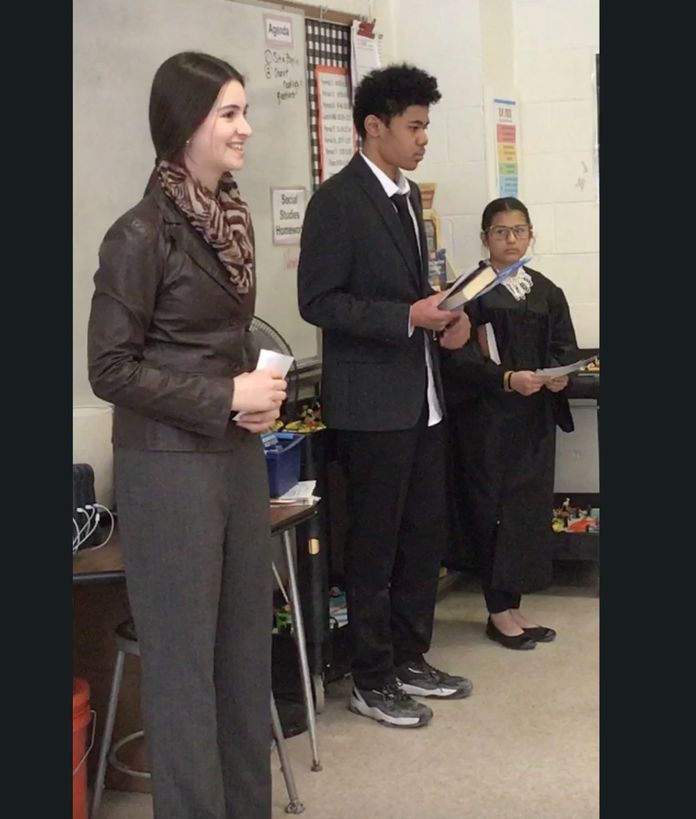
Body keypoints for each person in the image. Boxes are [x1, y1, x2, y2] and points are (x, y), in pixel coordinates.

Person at [87, 52, 286, 818]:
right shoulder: (137, 234)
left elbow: (211, 345)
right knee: (180, 673)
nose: (245, 127)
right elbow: (110, 368)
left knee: (243, 659)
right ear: (185, 125)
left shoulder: (229, 218)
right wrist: (221, 393)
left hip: (233, 457)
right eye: (229, 113)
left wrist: (252, 398)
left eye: (244, 111)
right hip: (167, 471)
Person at [297, 64, 474, 729]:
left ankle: (408, 655)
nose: (424, 138)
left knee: (422, 535)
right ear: (375, 127)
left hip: (422, 397)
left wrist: (446, 315)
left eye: (427, 125)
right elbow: (318, 301)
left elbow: (415, 293)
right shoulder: (337, 201)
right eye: (415, 126)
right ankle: (371, 677)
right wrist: (407, 318)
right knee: (372, 546)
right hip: (372, 404)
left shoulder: (406, 197)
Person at [440, 196, 579, 650]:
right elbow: (457, 358)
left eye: (519, 230)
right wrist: (505, 378)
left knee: (525, 511)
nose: (511, 239)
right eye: (501, 232)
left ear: (531, 234)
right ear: (485, 239)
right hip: (487, 421)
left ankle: (513, 605)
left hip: (533, 420)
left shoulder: (544, 290)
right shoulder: (469, 293)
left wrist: (559, 378)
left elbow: (564, 348)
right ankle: (497, 611)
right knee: (492, 511)